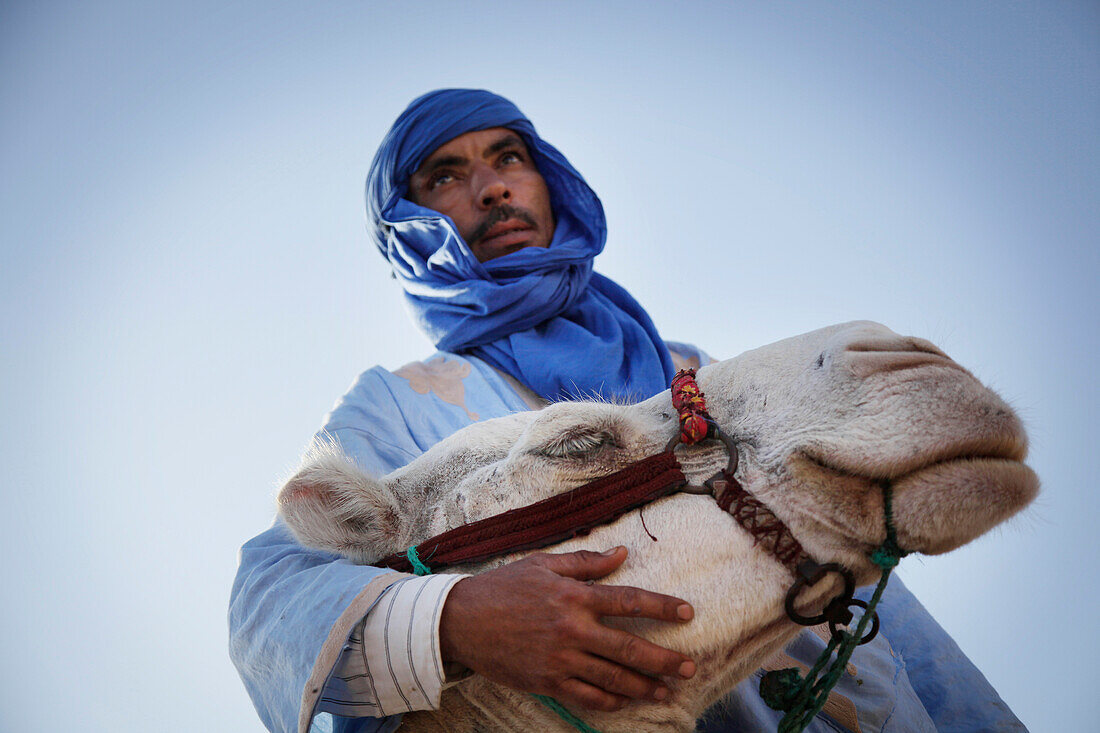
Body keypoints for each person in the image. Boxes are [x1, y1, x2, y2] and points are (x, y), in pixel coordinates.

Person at [230, 89, 1026, 733]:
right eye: (444, 174)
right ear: (409, 227)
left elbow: (882, 594)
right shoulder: (403, 399)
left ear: (551, 181)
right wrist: (455, 621)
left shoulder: (688, 369)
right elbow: (275, 589)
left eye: (510, 157)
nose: (493, 186)